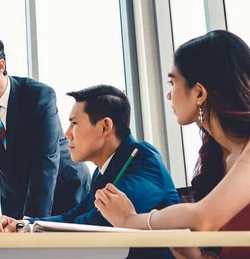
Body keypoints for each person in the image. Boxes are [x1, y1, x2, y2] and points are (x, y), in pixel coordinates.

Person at [95, 30, 250, 259]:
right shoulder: (219, 157)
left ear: (199, 92)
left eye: (173, 81)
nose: (169, 95)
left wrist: (132, 220)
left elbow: (203, 218)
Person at [0, 85, 179, 258]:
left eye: (74, 123)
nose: (67, 133)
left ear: (105, 127)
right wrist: (23, 224)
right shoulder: (102, 171)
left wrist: (31, 229)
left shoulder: (143, 159)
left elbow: (97, 222)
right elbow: (73, 215)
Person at [0, 34, 90, 232]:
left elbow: (46, 160)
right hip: (15, 198)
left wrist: (29, 223)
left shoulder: (39, 96)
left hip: (65, 190)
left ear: (0, 66)